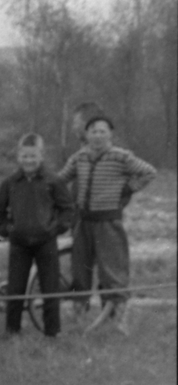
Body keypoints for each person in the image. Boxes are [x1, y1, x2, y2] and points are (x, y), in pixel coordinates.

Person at [57, 116, 157, 334]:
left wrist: (127, 188)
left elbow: (149, 172)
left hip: (108, 223)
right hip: (83, 223)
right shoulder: (79, 157)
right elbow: (60, 179)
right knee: (80, 269)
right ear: (87, 135)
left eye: (102, 131)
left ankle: (119, 319)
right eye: (93, 131)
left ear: (110, 134)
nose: (98, 136)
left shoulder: (121, 157)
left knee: (113, 270)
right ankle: (78, 315)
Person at [0, 133, 75, 338]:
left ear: (41, 156)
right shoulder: (10, 183)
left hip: (46, 243)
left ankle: (52, 333)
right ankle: (12, 332)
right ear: (19, 157)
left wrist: (55, 229)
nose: (29, 160)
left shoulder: (53, 181)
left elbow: (68, 210)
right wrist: (8, 230)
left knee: (50, 289)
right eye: (25, 156)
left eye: (33, 156)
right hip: (19, 244)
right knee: (15, 290)